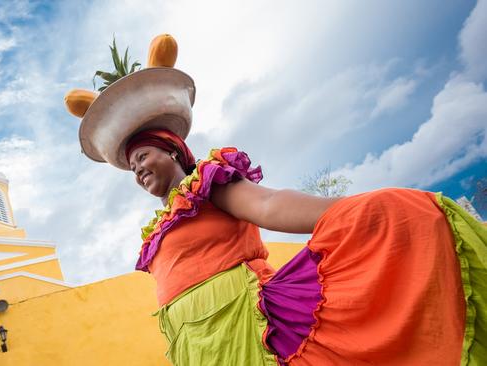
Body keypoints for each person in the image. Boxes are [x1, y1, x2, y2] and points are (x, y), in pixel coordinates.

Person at [66, 48, 487, 365]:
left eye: (144, 157)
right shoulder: (159, 228)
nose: (138, 170)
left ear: (175, 152)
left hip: (246, 326)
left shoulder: (207, 186)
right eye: (132, 166)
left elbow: (268, 204)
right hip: (195, 348)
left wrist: (352, 210)